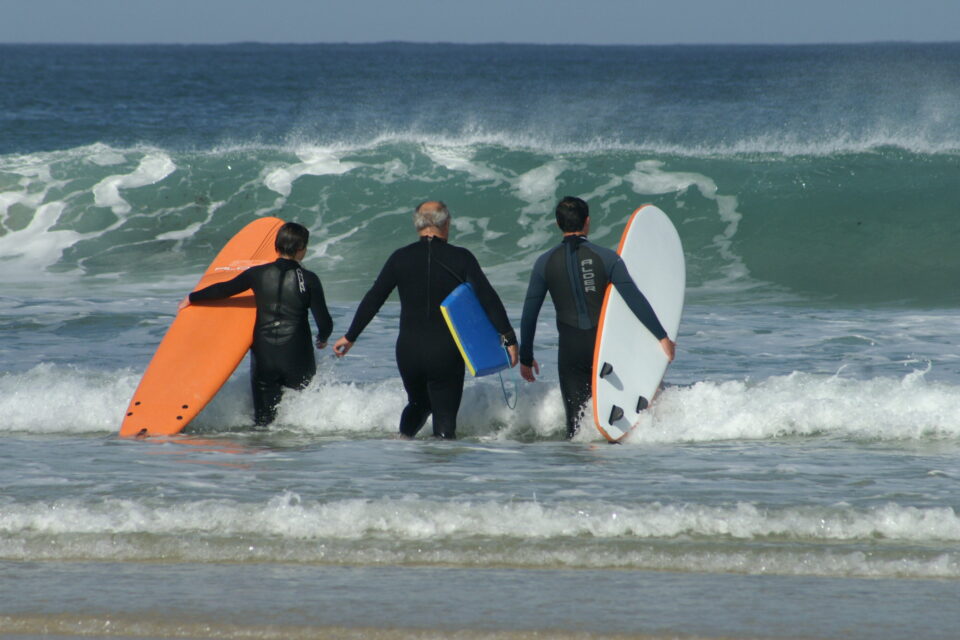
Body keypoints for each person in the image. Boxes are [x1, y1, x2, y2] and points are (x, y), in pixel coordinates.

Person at [333, 201, 518, 439]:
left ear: (417, 224)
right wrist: (509, 337)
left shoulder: (400, 257)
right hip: (445, 351)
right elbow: (488, 298)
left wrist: (350, 336)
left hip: (408, 350)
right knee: (444, 421)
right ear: (446, 223)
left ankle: (402, 447)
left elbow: (374, 297)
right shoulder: (461, 258)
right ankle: (439, 471)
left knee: (418, 404)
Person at [519, 196, 676, 438]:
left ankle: (576, 473)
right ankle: (606, 474)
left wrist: (526, 357)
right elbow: (634, 299)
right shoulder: (606, 258)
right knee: (615, 422)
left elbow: (530, 313)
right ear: (587, 222)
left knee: (576, 428)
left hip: (570, 352)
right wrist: (662, 337)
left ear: (558, 224)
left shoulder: (544, 263)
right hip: (604, 349)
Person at [182, 221, 333, 426]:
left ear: (276, 247)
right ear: (301, 249)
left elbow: (224, 290)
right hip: (297, 355)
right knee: (300, 423)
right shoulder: (309, 279)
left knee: (263, 422)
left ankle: (263, 454)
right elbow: (324, 321)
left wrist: (193, 297)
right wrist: (322, 338)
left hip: (265, 356)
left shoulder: (257, 274)